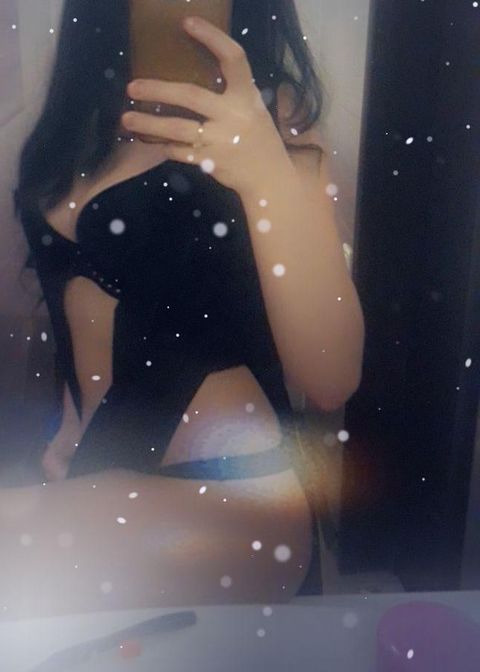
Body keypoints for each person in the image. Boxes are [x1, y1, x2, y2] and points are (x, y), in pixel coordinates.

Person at [3, 0, 365, 619]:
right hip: (94, 470)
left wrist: (265, 175)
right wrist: (71, 425)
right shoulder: (76, 111)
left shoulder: (273, 121)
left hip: (227, 493)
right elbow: (76, 302)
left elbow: (332, 375)